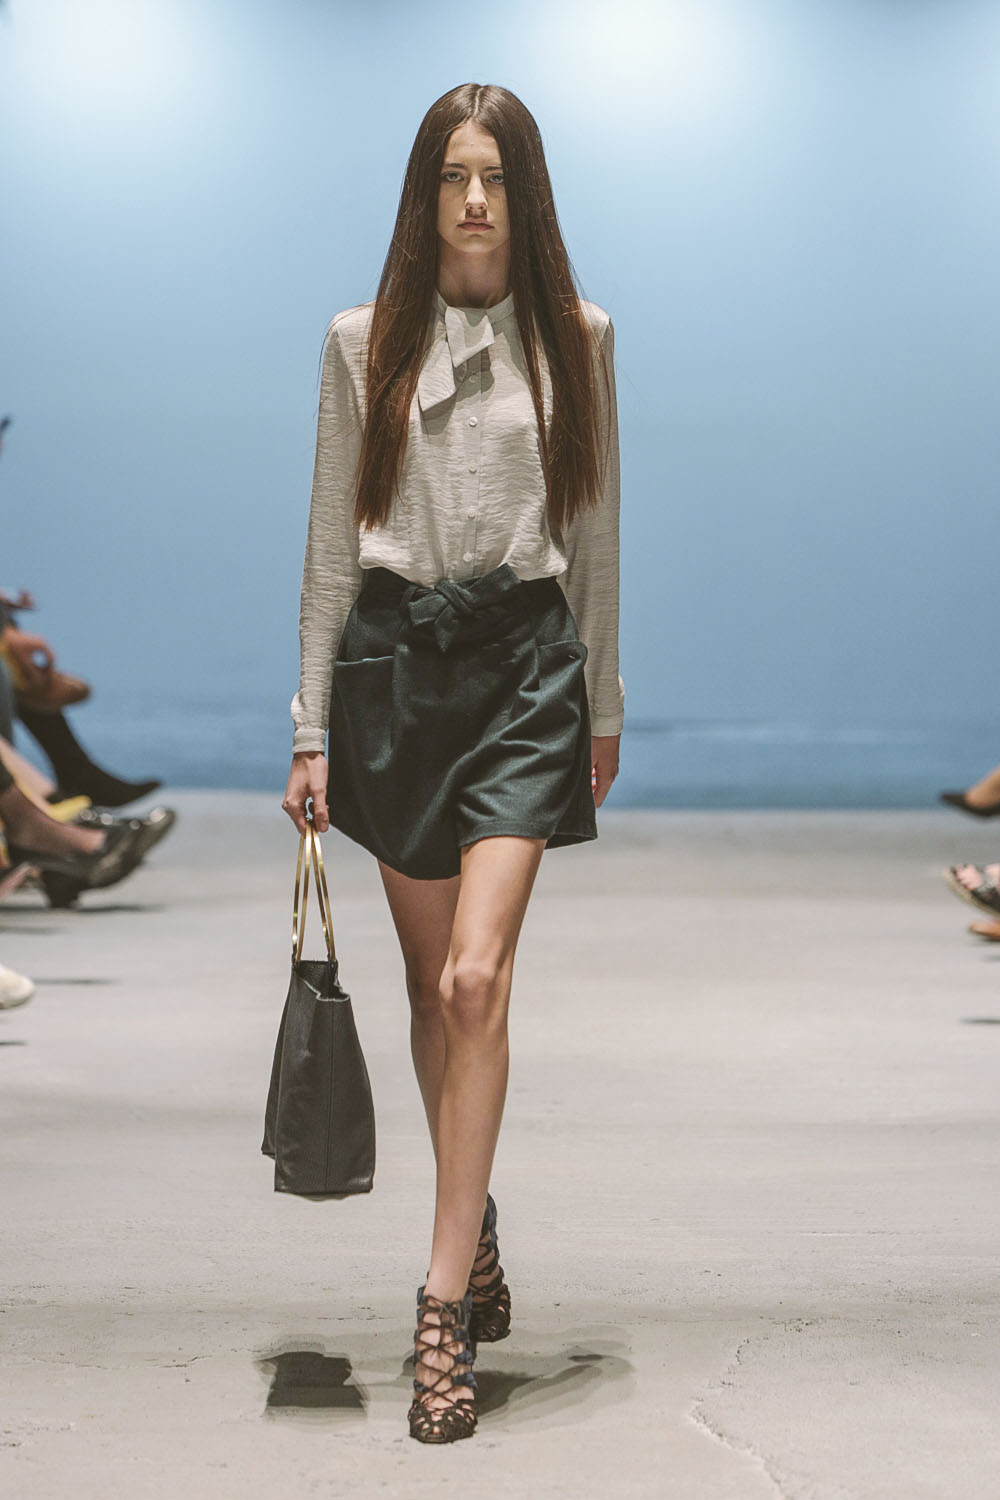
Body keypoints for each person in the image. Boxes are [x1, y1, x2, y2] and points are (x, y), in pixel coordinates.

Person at [282, 83, 624, 1444]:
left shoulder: (577, 340)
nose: (474, 201)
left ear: (524, 196)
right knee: (435, 990)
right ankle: (469, 1223)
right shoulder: (361, 343)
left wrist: (605, 700)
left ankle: (437, 1306)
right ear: (424, 197)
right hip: (394, 673)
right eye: (451, 176)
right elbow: (330, 542)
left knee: (478, 976)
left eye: (494, 177)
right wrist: (309, 725)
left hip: (526, 672)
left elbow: (596, 529)